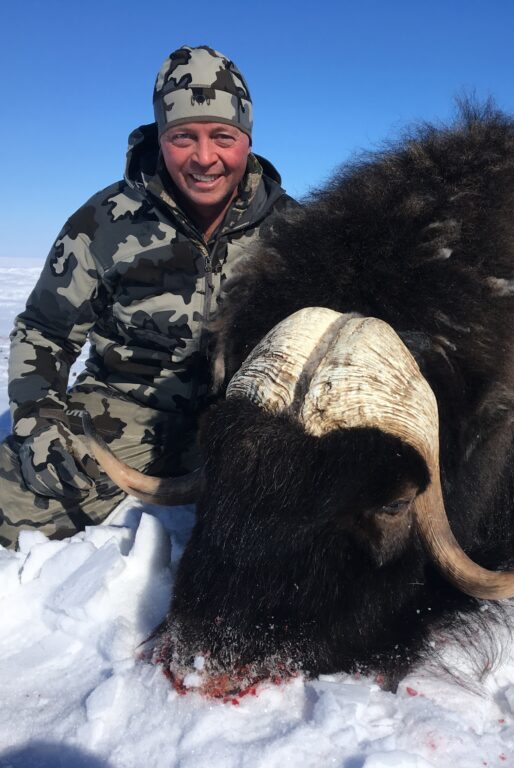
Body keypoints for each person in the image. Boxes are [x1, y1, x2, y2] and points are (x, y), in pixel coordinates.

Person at [0, 45, 295, 548]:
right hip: (121, 417)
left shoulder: (295, 230)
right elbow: (43, 332)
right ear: (161, 138)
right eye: (183, 137)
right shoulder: (103, 221)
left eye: (222, 136)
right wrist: (41, 423)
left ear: (247, 139)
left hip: (248, 430)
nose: (205, 158)